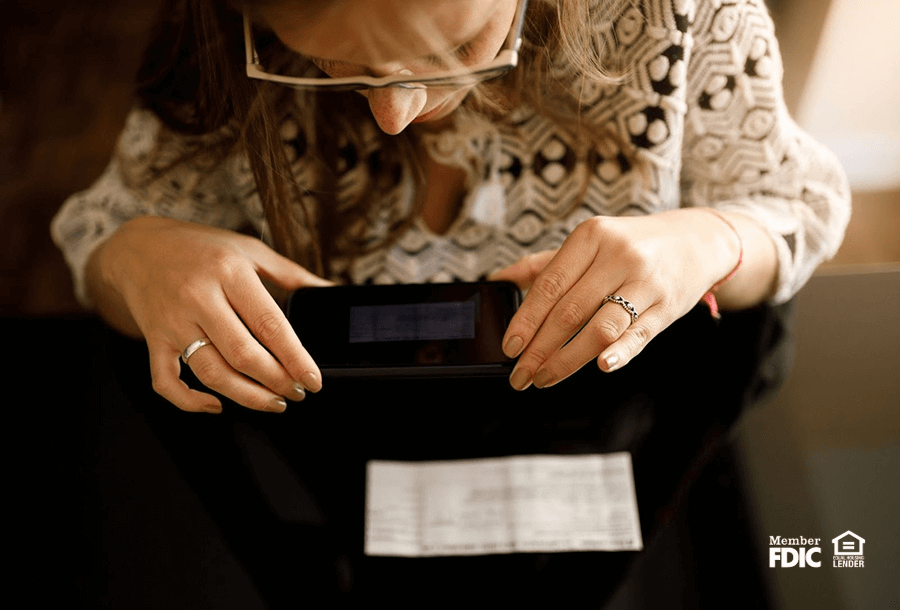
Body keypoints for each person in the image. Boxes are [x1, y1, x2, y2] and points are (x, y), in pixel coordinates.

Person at [50, 0, 849, 600]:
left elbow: (797, 205)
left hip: (602, 445)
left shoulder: (685, 19)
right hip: (335, 469)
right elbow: (104, 231)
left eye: (456, 46)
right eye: (329, 61)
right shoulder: (219, 36)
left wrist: (715, 237)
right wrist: (131, 255)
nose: (396, 114)